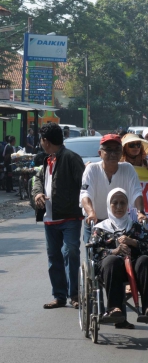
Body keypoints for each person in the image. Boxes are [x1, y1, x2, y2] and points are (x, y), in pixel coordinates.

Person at [32, 123, 85, 309]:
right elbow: (38, 179)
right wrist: (38, 193)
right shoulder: (47, 160)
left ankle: (75, 295)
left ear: (45, 141)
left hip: (70, 217)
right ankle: (59, 296)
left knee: (70, 253)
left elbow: (84, 185)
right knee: (54, 257)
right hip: (50, 218)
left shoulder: (71, 158)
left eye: (41, 139)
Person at [90, 188, 148, 329]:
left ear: (128, 206)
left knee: (145, 260)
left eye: (123, 203)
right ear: (109, 205)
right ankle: (114, 309)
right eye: (115, 203)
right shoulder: (100, 228)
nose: (119, 207)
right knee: (112, 261)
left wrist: (133, 242)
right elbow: (94, 253)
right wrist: (115, 250)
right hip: (112, 269)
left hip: (135, 267)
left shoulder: (136, 227)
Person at [80, 134, 148, 243]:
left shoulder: (128, 168)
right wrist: (91, 213)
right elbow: (85, 194)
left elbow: (136, 192)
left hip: (120, 222)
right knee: (94, 253)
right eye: (108, 150)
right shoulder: (92, 169)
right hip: (96, 221)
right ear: (100, 153)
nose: (113, 154)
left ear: (121, 153)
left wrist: (141, 212)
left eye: (117, 150)